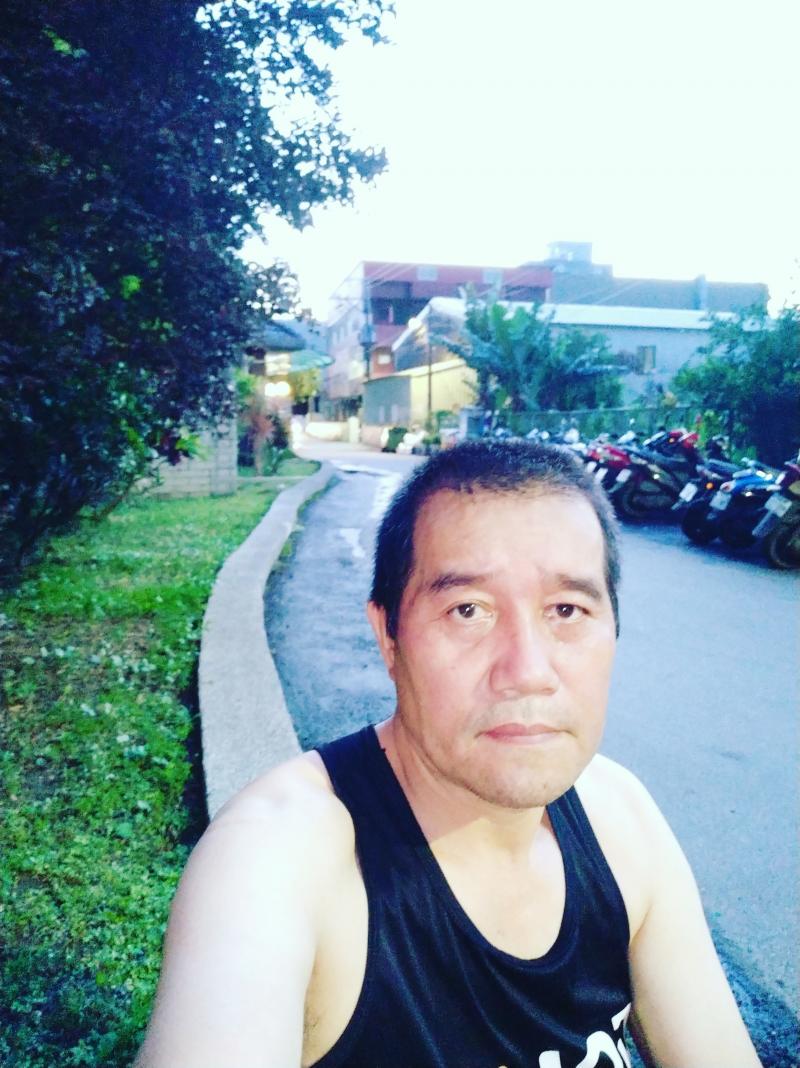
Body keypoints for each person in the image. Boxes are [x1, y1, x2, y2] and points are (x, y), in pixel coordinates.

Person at [135, 440, 762, 1068]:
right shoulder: (278, 860)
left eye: (566, 610)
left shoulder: (620, 815)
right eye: (468, 611)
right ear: (389, 637)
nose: (527, 671)